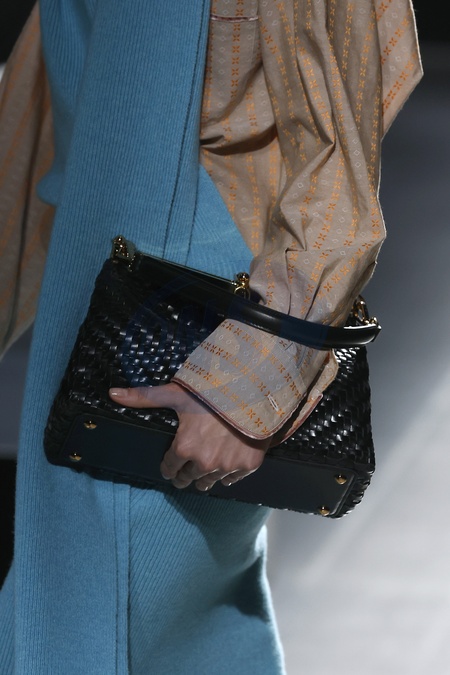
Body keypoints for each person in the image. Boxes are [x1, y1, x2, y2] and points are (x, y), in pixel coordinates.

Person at [0, 1, 421, 673]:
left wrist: (250, 371)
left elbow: (341, 115)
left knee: (95, 634)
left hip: (183, 328)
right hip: (107, 283)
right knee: (164, 636)